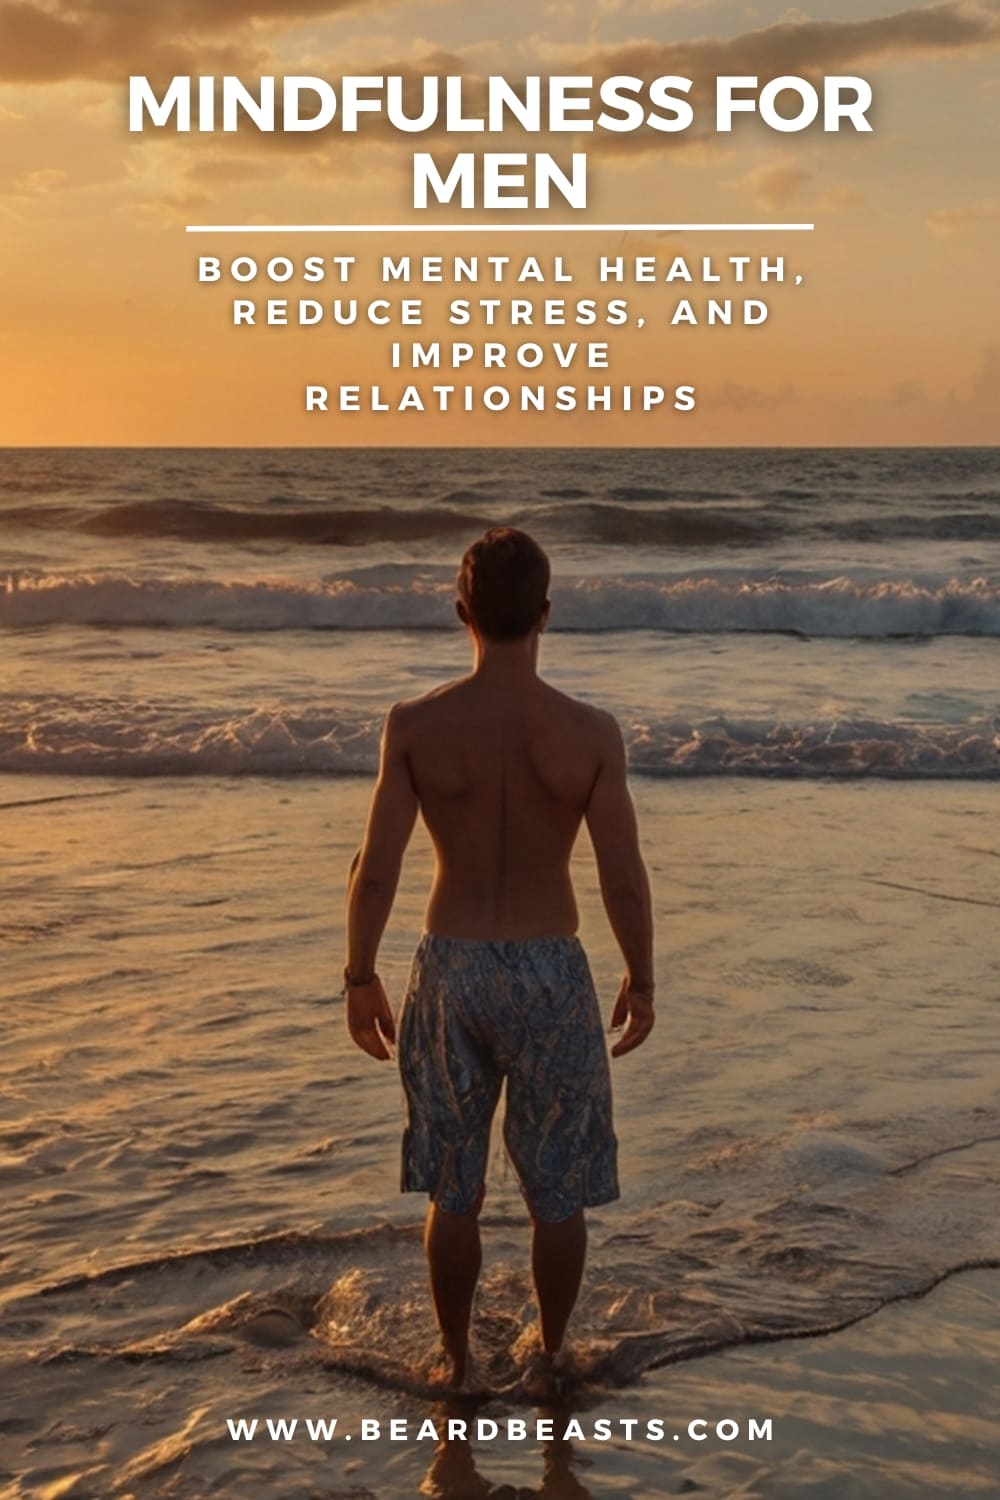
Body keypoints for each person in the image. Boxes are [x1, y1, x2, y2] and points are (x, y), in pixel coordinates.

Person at [344, 527, 655, 1390]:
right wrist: (642, 974)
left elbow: (377, 868)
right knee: (558, 1195)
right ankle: (553, 1356)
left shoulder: (415, 727)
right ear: (547, 615)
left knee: (455, 1186)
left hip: (451, 969)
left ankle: (457, 1363)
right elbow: (622, 876)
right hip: (553, 971)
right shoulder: (590, 734)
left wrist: (359, 975)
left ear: (461, 614)